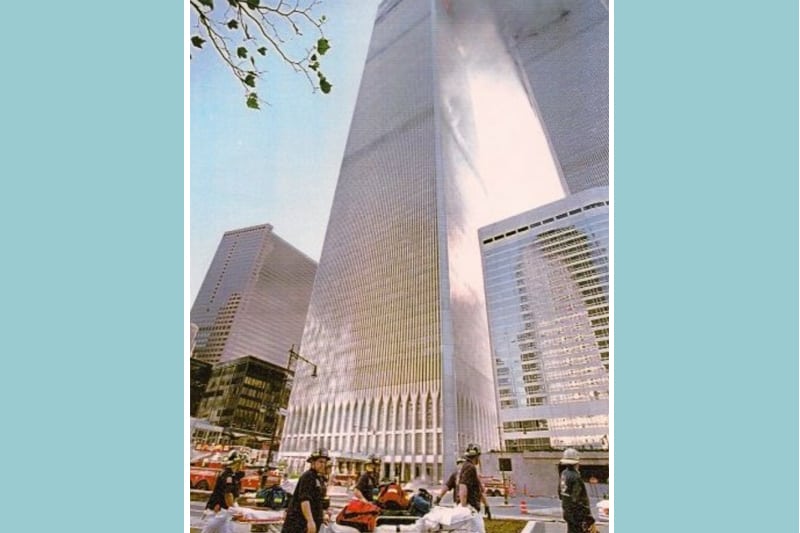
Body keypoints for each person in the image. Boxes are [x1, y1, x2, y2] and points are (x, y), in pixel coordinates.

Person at [281, 448, 331, 533]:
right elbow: (305, 501)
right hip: (299, 523)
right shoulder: (308, 476)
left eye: (324, 462)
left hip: (311, 522)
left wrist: (322, 516)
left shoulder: (318, 478)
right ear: (312, 462)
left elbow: (318, 501)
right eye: (320, 461)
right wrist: (310, 521)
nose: (323, 465)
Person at [202, 450, 248, 533]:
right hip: (220, 509)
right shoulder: (228, 476)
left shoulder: (232, 475)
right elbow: (228, 494)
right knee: (210, 529)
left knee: (227, 530)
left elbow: (241, 475)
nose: (243, 465)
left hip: (223, 511)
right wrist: (234, 509)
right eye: (242, 463)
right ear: (237, 463)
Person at [558, 448, 595, 533]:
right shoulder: (576, 477)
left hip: (567, 513)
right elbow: (577, 500)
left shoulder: (563, 473)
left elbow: (560, 494)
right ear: (577, 462)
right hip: (578, 516)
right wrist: (588, 517)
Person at [457, 443, 490, 533]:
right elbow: (463, 487)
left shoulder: (470, 467)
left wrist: (486, 505)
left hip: (471, 507)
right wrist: (464, 509)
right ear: (476, 456)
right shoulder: (470, 467)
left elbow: (479, 489)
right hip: (470, 507)